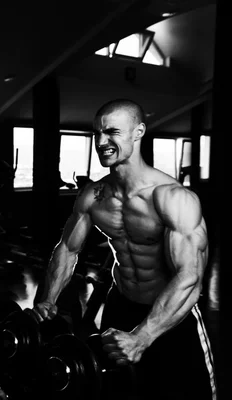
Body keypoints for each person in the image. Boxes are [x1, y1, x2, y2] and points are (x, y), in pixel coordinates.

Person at [32, 99, 216, 400]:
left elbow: (189, 277)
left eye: (112, 132)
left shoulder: (172, 198)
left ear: (138, 132)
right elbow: (67, 249)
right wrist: (47, 300)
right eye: (97, 133)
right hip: (120, 307)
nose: (102, 142)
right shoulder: (94, 196)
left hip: (172, 316)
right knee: (121, 392)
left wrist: (143, 336)